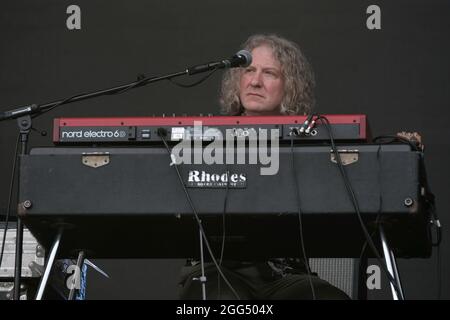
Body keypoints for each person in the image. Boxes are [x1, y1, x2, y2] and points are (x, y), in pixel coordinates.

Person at [178, 34, 350, 300]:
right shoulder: (205, 140)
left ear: (290, 86)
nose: (255, 81)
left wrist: (400, 148)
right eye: (248, 71)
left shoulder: (308, 145)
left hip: (288, 278)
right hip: (218, 271)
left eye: (269, 73)